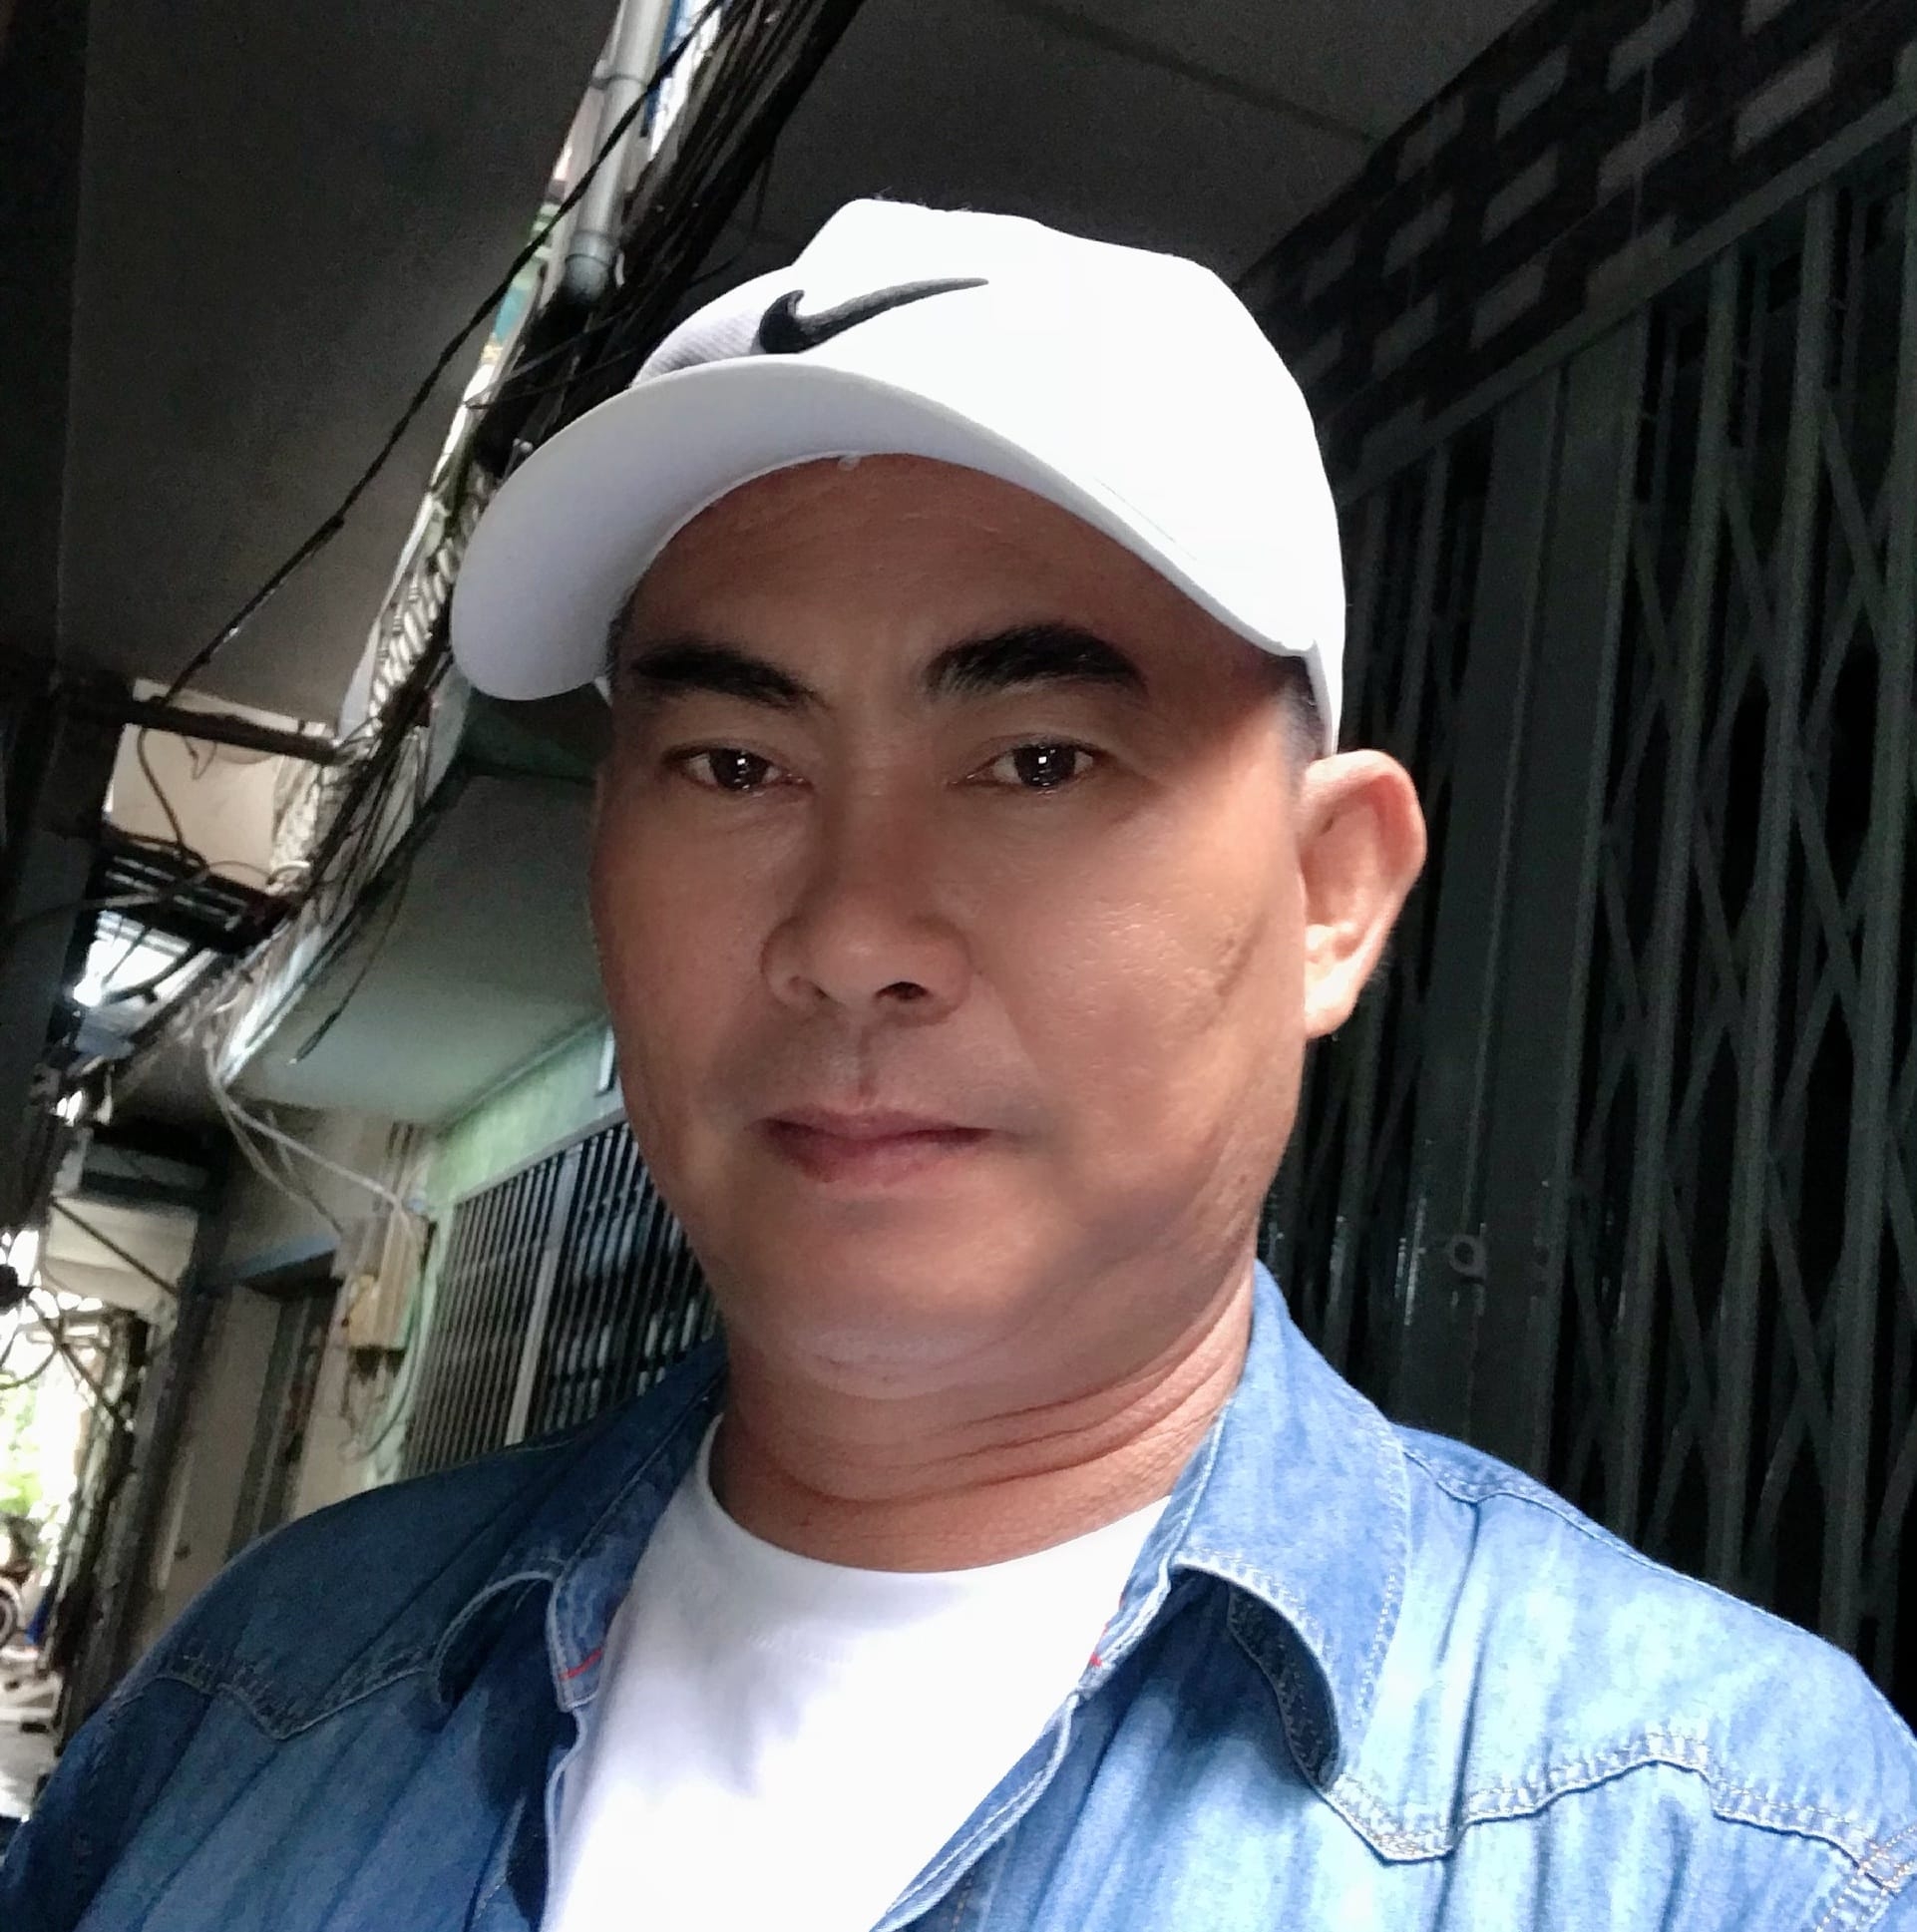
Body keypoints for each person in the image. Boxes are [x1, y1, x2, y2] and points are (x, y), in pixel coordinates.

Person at [4, 198, 1914, 1932]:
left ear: (1331, 895)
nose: (850, 933)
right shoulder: (260, 1688)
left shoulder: (1716, 1847)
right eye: (734, 766)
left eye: (1036, 762)